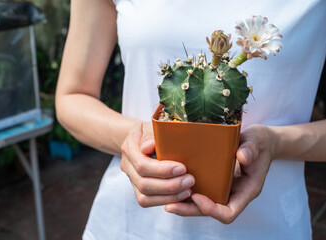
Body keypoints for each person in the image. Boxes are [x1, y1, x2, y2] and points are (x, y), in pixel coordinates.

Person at [55, 0, 326, 239]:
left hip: (269, 226)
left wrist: (277, 143)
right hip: (129, 224)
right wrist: (137, 138)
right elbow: (72, 97)